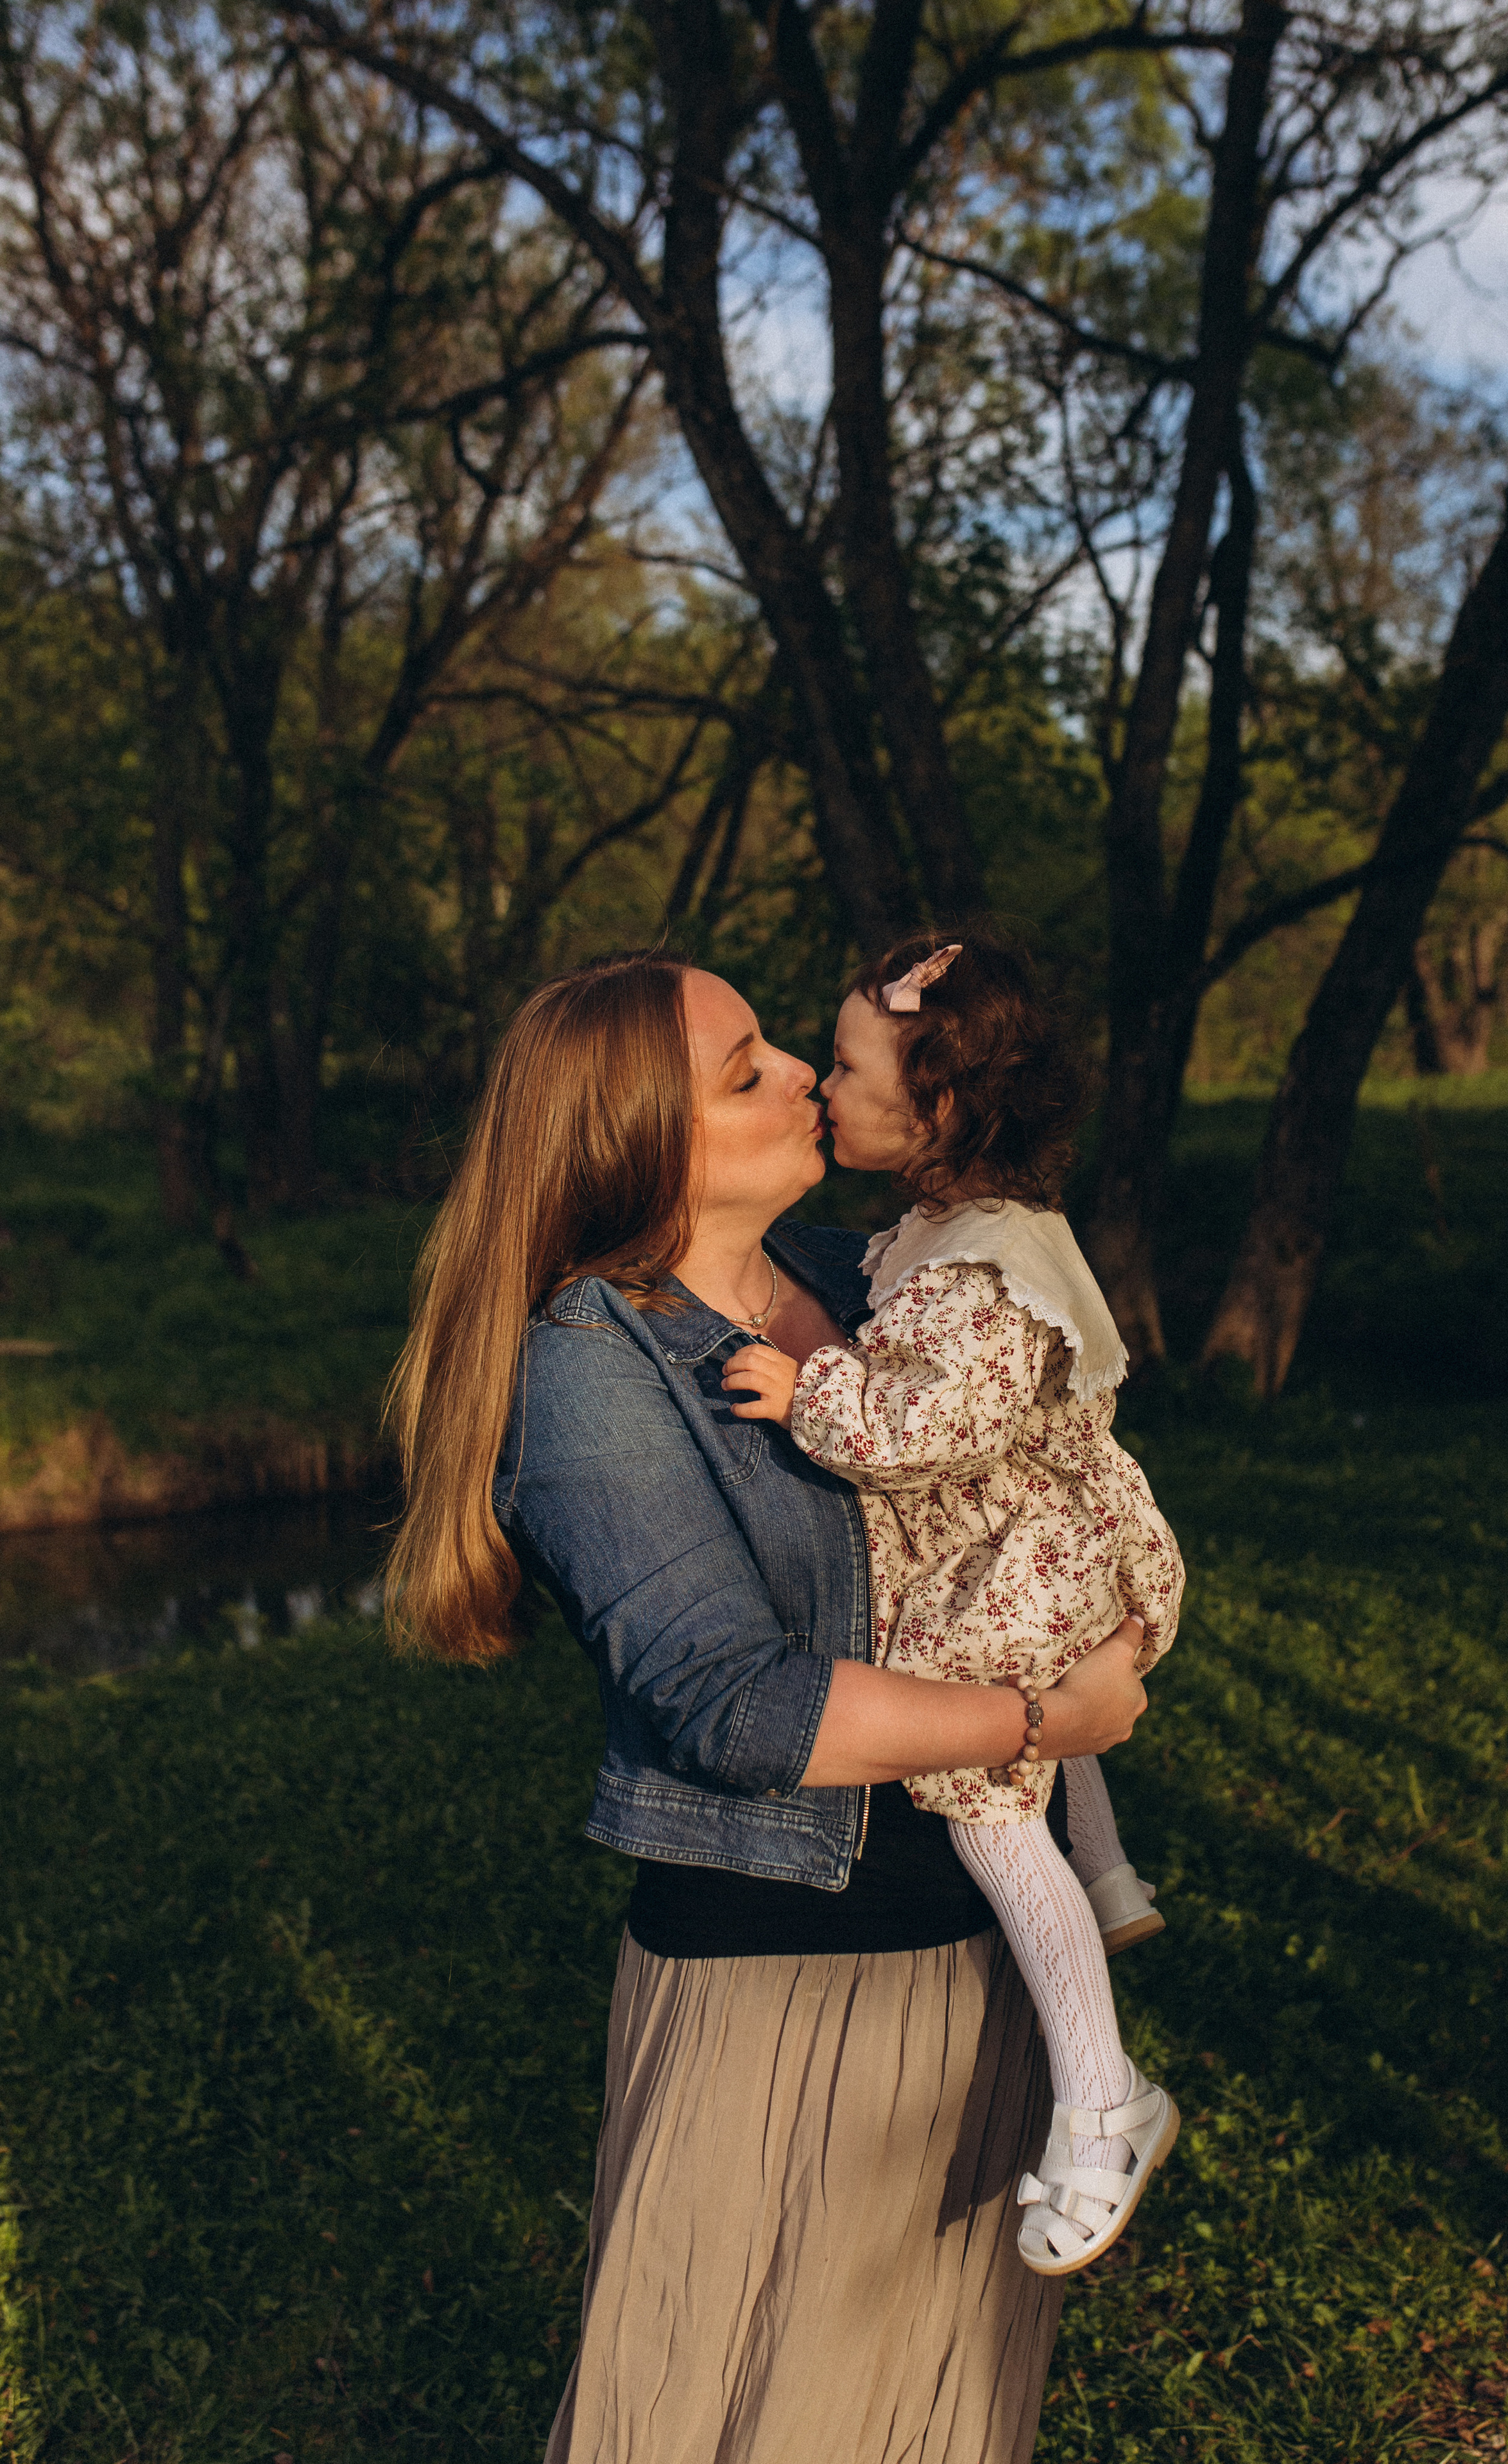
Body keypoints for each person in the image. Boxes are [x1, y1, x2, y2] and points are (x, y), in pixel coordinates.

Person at [383, 948, 1151, 2464]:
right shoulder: (589, 1364)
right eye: (746, 1073)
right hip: (786, 1981)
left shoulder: (863, 1270)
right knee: (727, 2415)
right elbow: (734, 1706)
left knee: (937, 2420)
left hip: (976, 1954)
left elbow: (1007, 1436)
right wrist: (1042, 1723)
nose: (803, 1071)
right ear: (635, 1146)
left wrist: (964, 1007)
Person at [723, 930, 1185, 2275]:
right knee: (1034, 1704)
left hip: (1031, 1560)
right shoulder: (964, 1228)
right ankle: (1106, 1870)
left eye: (847, 1066)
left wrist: (805, 1391)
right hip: (1042, 1546)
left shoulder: (978, 1273)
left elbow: (925, 1429)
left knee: (985, 1802)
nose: (821, 1085)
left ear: (933, 1107)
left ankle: (1104, 2098)